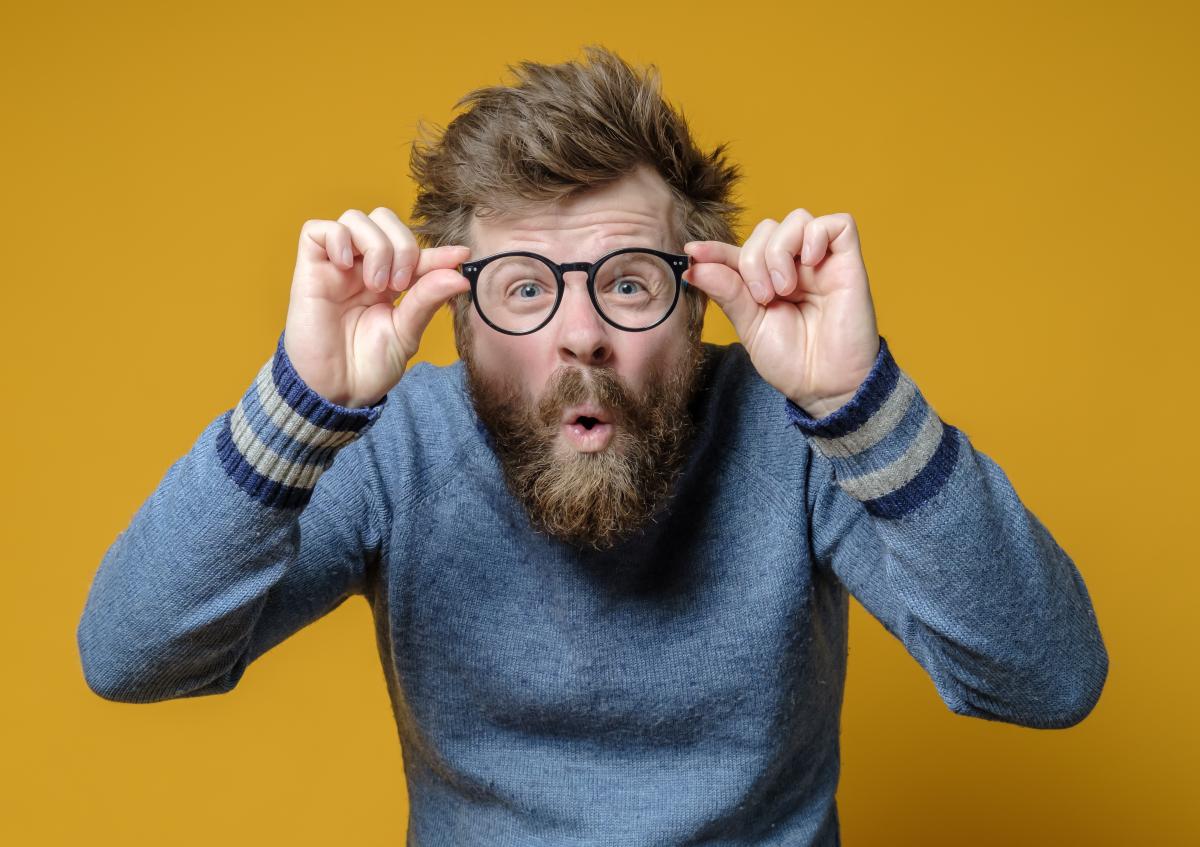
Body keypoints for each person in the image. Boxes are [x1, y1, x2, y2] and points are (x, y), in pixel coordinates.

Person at [76, 46, 1109, 845]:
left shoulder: (800, 434)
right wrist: (302, 404)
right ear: (460, 322)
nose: (582, 334)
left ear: (699, 306)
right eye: (523, 287)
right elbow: (131, 656)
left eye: (626, 282)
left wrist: (856, 398)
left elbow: (1050, 681)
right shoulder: (397, 444)